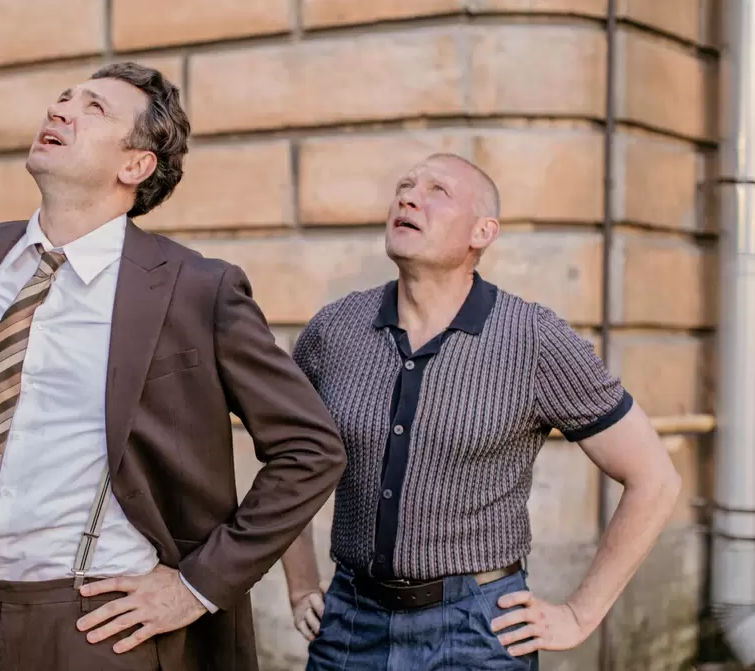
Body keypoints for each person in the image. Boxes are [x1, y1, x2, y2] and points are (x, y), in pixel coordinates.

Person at [0, 61, 346, 671]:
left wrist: (196, 586)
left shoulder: (196, 288)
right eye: (64, 98)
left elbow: (310, 449)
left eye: (94, 108)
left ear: (135, 166)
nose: (60, 110)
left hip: (100, 628)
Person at [279, 153, 683, 669]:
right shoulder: (333, 330)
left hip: (477, 630)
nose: (408, 198)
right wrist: (300, 585)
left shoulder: (534, 339)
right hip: (350, 623)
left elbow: (655, 479)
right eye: (405, 186)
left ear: (482, 232)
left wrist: (580, 615)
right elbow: (288, 460)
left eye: (437, 191)